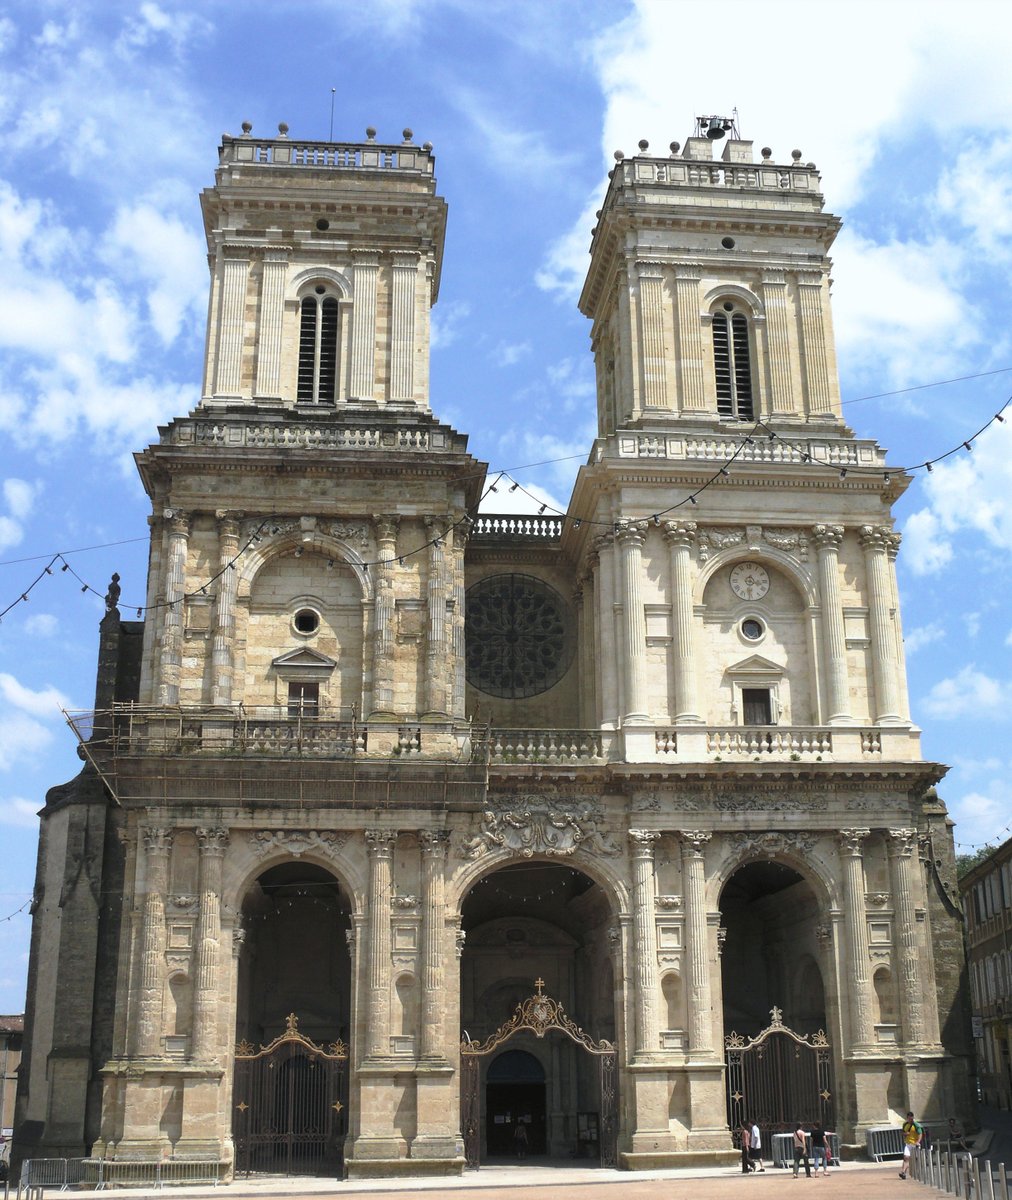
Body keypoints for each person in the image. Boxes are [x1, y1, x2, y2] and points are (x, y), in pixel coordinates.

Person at [899, 1110, 923, 1179]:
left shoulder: (916, 1125)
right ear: (907, 1118)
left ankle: (919, 1173)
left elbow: (920, 1134)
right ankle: (903, 1172)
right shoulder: (905, 1124)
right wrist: (905, 1134)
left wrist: (918, 1141)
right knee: (906, 1157)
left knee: (916, 1159)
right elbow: (902, 1132)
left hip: (915, 1144)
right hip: (908, 1143)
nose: (911, 1120)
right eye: (909, 1119)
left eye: (912, 1119)